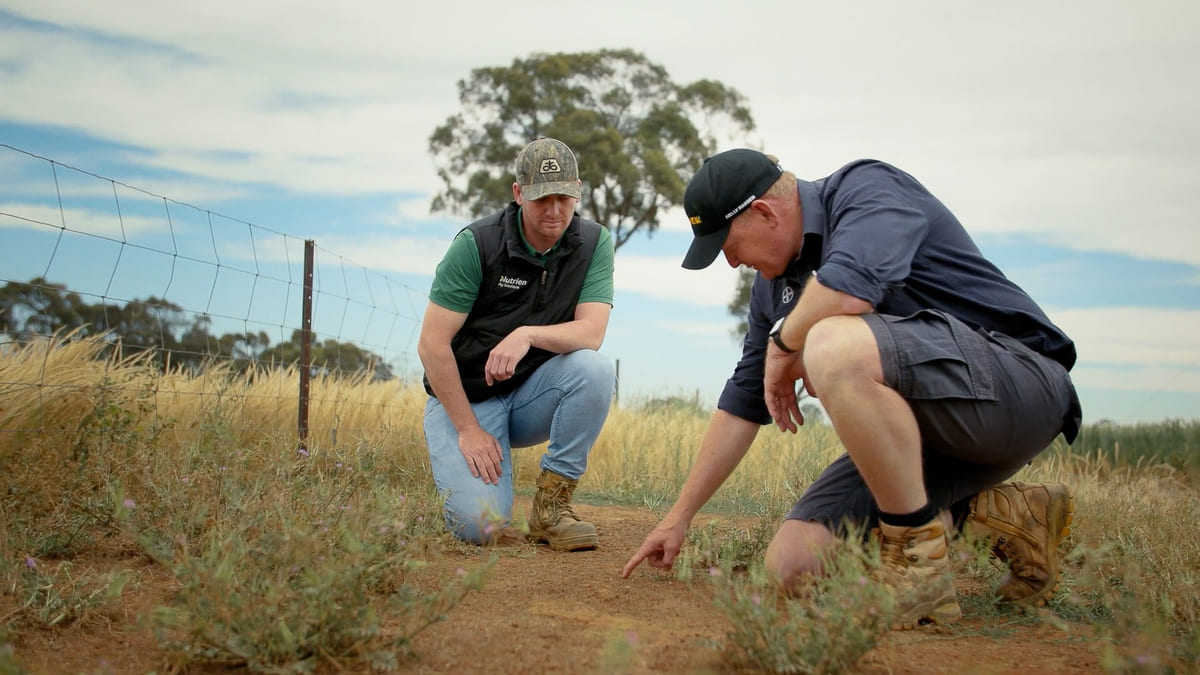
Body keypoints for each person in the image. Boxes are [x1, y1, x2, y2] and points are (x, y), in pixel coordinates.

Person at [622, 149, 1081, 629]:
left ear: (764, 211)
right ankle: (1005, 514)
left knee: (831, 344)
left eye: (729, 245)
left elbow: (850, 288)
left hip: (1020, 387)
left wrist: (784, 343)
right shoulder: (770, 289)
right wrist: (678, 517)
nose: (732, 262)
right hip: (920, 444)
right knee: (793, 567)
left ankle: (916, 567)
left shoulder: (867, 190)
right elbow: (743, 400)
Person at [418, 137, 616, 551]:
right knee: (483, 529)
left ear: (578, 190)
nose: (556, 210)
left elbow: (591, 333)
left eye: (565, 197)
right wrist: (468, 430)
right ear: (518, 193)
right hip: (467, 401)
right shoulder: (477, 244)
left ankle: (551, 510)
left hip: (530, 395)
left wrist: (526, 334)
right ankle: (465, 472)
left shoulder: (595, 243)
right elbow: (432, 345)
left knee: (594, 369)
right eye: (543, 198)